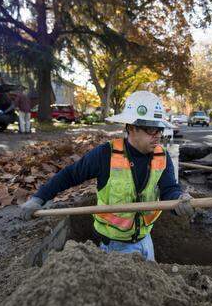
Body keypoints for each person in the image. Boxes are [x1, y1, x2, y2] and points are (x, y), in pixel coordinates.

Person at [19, 91, 194, 262]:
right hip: (114, 248)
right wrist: (39, 198)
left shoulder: (162, 157)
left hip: (145, 240)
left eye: (159, 129)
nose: (157, 136)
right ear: (131, 127)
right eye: (151, 129)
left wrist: (178, 201)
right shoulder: (105, 155)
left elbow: (169, 190)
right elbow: (70, 175)